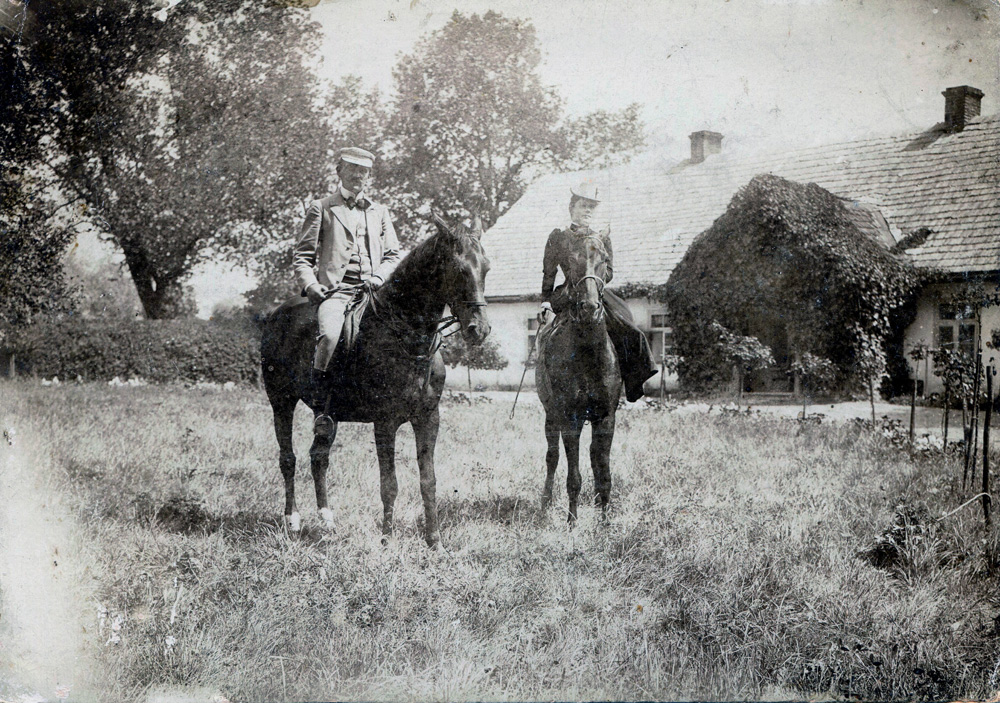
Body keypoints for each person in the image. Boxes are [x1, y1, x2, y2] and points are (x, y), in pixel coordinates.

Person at [293, 146, 401, 431]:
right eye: (352, 168)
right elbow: (303, 256)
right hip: (337, 292)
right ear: (339, 170)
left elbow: (393, 255)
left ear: (369, 176)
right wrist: (311, 284)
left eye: (363, 170)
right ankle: (322, 406)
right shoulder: (322, 208)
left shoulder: (380, 211)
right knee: (330, 336)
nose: (358, 175)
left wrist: (378, 278)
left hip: (374, 294)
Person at [538, 181, 658, 402]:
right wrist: (546, 300)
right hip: (568, 292)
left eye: (592, 207)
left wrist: (594, 279)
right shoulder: (558, 236)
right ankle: (548, 384)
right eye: (584, 205)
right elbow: (549, 271)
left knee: (631, 329)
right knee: (547, 335)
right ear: (572, 207)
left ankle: (631, 382)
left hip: (595, 291)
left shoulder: (601, 238)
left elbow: (609, 271)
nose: (588, 211)